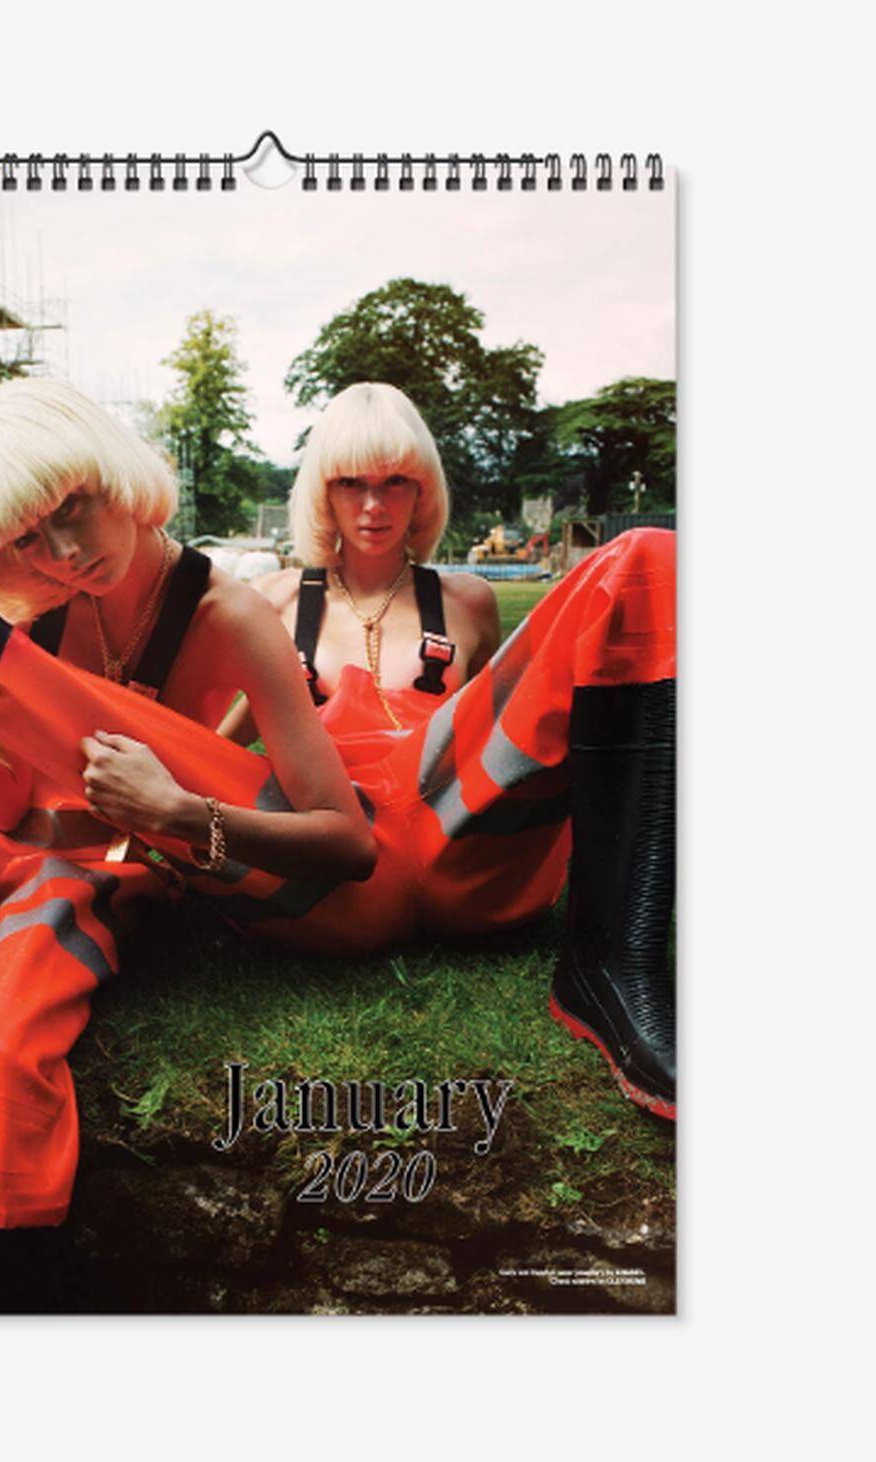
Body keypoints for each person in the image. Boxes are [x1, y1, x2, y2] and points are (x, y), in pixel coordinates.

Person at [0, 379, 376, 1310]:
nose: (64, 552)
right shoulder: (38, 611)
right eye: (28, 537)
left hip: (140, 872)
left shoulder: (231, 617)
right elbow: (9, 805)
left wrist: (179, 813)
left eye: (74, 506)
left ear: (114, 471)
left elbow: (349, 846)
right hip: (36, 847)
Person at [222, 383, 676, 1126]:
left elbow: (504, 738)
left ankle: (616, 963)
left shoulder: (467, 602)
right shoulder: (269, 601)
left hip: (455, 852)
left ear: (424, 490)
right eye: (351, 483)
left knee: (651, 554)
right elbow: (220, 744)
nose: (374, 505)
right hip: (336, 861)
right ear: (321, 493)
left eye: (396, 481)